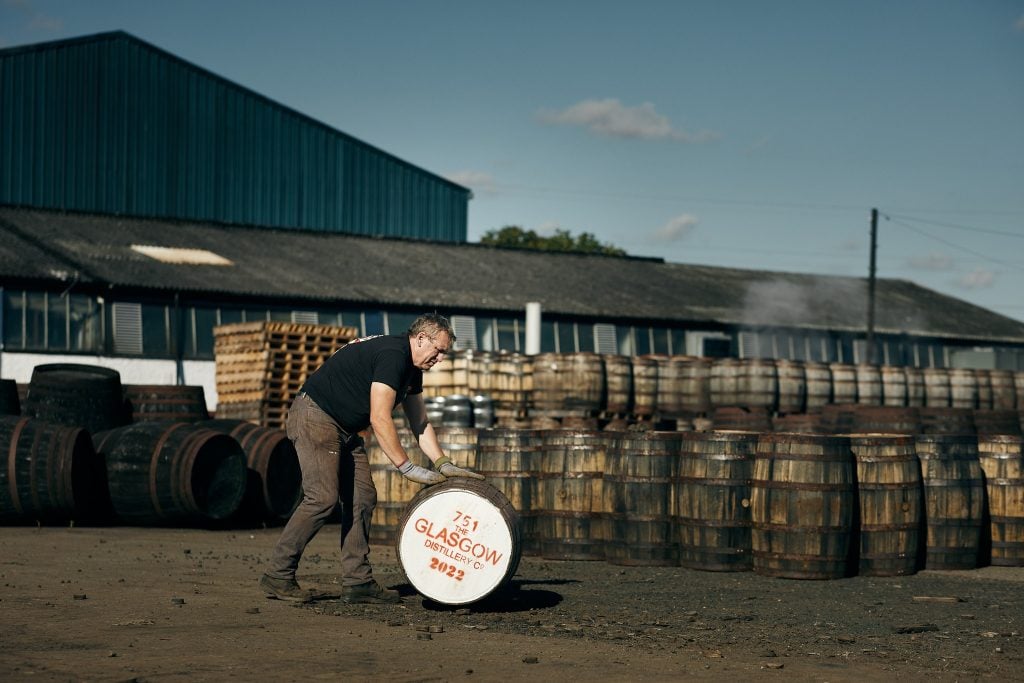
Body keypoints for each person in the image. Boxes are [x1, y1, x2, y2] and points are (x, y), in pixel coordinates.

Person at [260, 313, 483, 603]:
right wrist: (406, 466)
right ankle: (278, 575)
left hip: (344, 427)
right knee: (322, 498)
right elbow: (379, 417)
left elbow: (420, 422)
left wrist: (443, 463)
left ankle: (357, 582)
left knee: (362, 497)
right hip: (316, 417)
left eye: (444, 353)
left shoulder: (412, 368)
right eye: (439, 350)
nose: (440, 358)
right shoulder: (394, 355)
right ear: (420, 338)